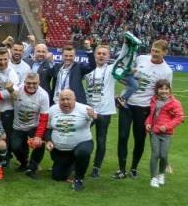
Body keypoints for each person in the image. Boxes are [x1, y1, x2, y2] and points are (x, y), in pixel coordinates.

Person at [114, 40, 173, 179]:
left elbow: (165, 93)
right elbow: (125, 74)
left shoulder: (167, 71)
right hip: (126, 104)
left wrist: (166, 113)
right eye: (152, 50)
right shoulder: (141, 58)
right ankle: (121, 170)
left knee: (139, 139)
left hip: (144, 108)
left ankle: (134, 169)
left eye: (157, 51)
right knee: (122, 137)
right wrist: (124, 77)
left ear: (165, 52)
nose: (154, 54)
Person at [44, 90, 98, 191]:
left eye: (68, 99)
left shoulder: (84, 109)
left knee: (82, 153)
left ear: (74, 99)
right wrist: (48, 140)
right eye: (62, 99)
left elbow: (102, 120)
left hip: (82, 143)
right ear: (58, 100)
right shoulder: (52, 110)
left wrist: (96, 117)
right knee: (57, 177)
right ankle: (72, 163)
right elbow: (48, 128)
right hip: (61, 149)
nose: (65, 102)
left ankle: (79, 179)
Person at [84, 44, 117, 178]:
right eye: (99, 53)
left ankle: (96, 167)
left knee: (101, 140)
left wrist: (128, 44)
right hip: (89, 109)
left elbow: (123, 58)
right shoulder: (89, 70)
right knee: (81, 136)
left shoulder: (111, 69)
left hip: (105, 112)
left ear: (108, 57)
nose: (101, 56)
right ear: (95, 55)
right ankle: (75, 163)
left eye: (104, 54)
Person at [10, 72, 50, 179]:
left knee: (40, 143)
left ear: (39, 82)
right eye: (28, 83)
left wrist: (38, 136)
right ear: (24, 82)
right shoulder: (18, 90)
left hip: (34, 126)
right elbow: (3, 93)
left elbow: (44, 118)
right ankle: (24, 163)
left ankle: (32, 168)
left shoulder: (43, 95)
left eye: (34, 83)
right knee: (14, 147)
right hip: (18, 126)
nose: (31, 85)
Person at [145, 80, 184, 188]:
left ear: (169, 90)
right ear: (157, 90)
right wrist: (148, 123)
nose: (164, 91)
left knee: (163, 155)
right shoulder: (154, 100)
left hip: (167, 134)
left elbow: (180, 117)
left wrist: (167, 126)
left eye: (166, 89)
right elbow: (151, 115)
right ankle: (153, 178)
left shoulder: (175, 103)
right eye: (161, 88)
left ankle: (161, 174)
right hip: (154, 132)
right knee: (155, 154)